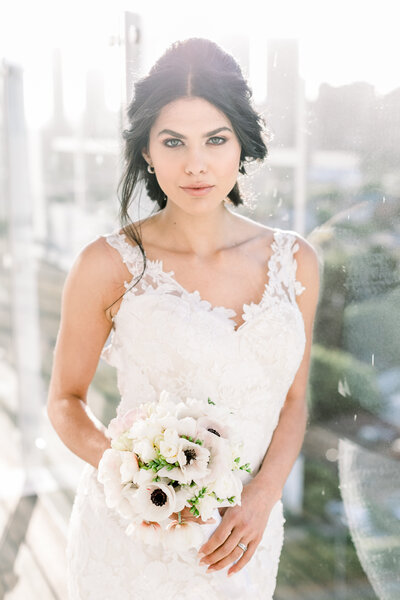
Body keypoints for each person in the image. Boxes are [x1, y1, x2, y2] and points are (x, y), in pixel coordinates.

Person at [47, 37, 320, 600]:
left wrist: (264, 497)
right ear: (147, 151)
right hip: (133, 538)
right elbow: (64, 401)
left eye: (215, 140)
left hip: (245, 538)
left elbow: (294, 400)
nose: (195, 164)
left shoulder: (297, 262)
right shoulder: (108, 264)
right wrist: (136, 470)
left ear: (241, 145)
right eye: (173, 142)